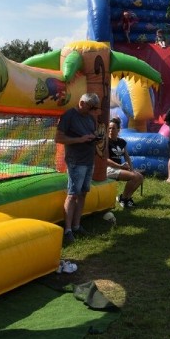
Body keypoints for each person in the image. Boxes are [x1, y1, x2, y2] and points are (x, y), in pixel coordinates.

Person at [55, 93, 101, 245]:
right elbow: (59, 138)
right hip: (76, 161)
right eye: (91, 107)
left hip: (88, 160)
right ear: (81, 103)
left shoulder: (89, 117)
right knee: (73, 194)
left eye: (94, 108)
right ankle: (67, 230)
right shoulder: (69, 116)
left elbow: (90, 133)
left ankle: (77, 225)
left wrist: (95, 137)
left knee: (83, 193)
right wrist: (79, 140)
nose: (93, 110)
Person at [105, 118, 144, 208]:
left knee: (140, 177)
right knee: (134, 177)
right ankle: (123, 198)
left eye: (113, 128)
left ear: (118, 130)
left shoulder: (121, 142)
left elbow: (126, 156)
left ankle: (126, 198)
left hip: (118, 168)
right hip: (109, 169)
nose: (111, 130)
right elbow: (106, 160)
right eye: (109, 128)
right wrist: (121, 167)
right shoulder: (106, 141)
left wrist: (131, 168)